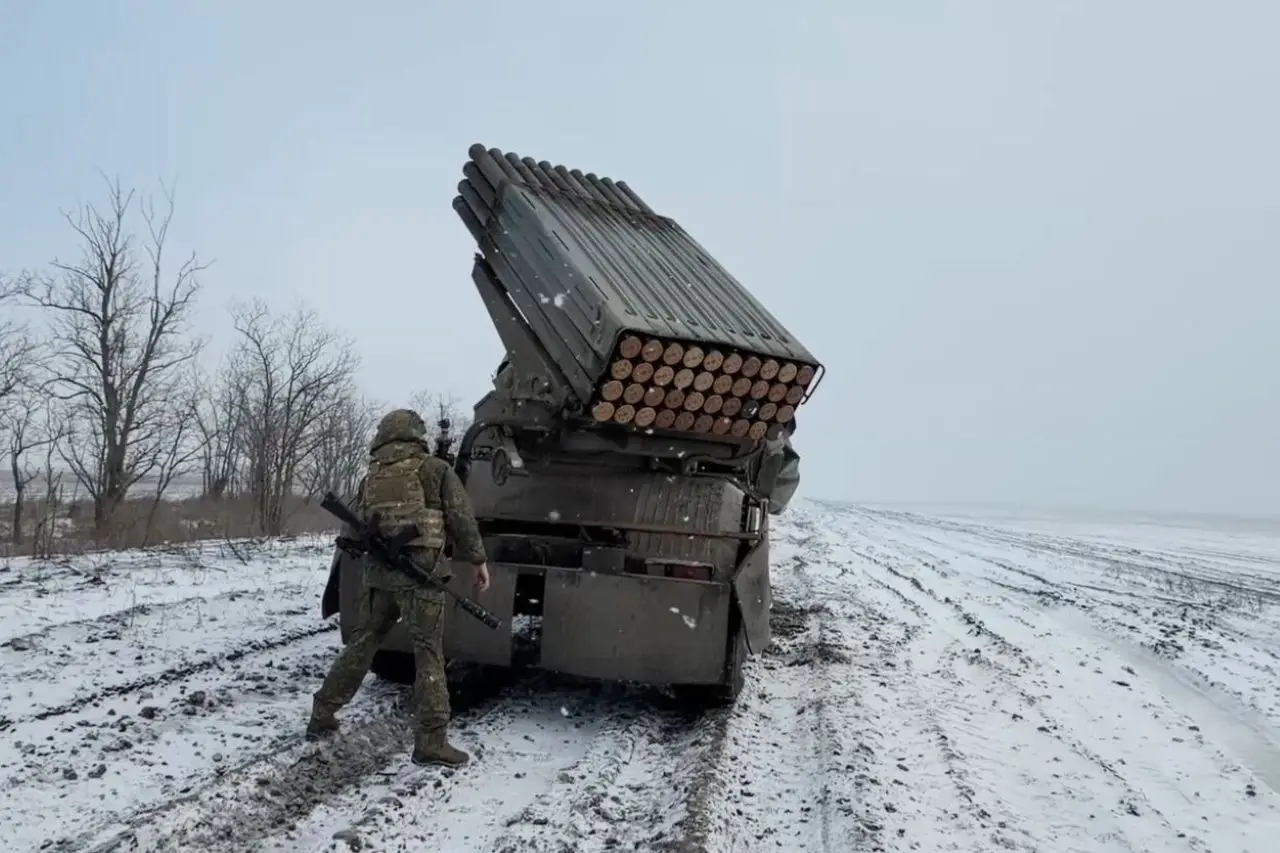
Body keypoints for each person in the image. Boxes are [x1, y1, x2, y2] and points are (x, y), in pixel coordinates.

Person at [306, 408, 490, 767]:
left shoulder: (372, 476)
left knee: (362, 644)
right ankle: (432, 742)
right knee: (428, 654)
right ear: (416, 435)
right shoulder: (435, 469)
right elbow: (461, 517)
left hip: (379, 577)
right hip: (422, 577)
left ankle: (322, 714)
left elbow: (355, 528)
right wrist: (478, 559)